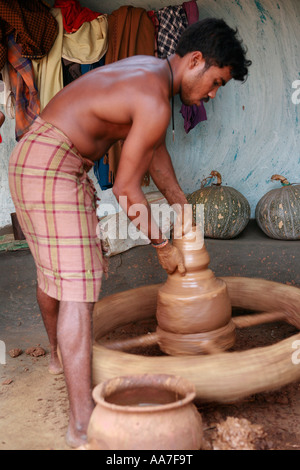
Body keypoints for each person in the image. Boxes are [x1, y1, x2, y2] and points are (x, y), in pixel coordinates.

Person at [8, 18, 251, 447]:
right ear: (195, 61)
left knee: (58, 272)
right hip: (51, 164)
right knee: (79, 291)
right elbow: (125, 187)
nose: (213, 94)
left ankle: (59, 360)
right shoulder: (155, 99)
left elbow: (153, 153)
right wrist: (161, 244)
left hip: (42, 156)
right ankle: (81, 424)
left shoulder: (150, 73)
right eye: (216, 82)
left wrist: (181, 204)